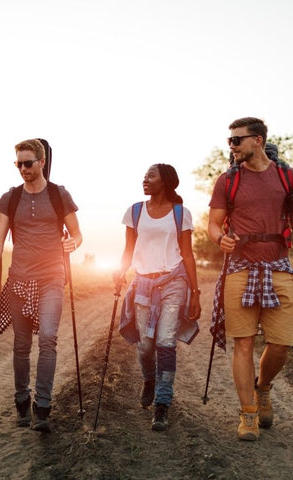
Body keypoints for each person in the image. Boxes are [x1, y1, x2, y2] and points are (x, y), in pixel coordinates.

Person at [0, 139, 82, 433]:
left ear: (41, 162)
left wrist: (72, 243)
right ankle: (21, 402)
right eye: (18, 164)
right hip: (19, 278)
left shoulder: (58, 194)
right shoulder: (10, 198)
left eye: (28, 163)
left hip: (51, 276)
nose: (23, 169)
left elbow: (77, 234)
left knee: (48, 338)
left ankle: (43, 407)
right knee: (22, 345)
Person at [208, 117, 293, 441]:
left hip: (279, 267)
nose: (231, 146)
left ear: (257, 140)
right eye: (230, 141)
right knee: (242, 343)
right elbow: (214, 224)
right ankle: (248, 415)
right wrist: (220, 239)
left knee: (282, 343)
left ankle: (264, 386)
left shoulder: (286, 177)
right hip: (240, 268)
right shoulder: (227, 181)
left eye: (237, 140)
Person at [116, 163, 201, 431]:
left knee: (165, 340)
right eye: (145, 176)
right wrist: (120, 272)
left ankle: (163, 403)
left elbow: (187, 253)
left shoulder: (180, 214)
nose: (145, 179)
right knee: (145, 345)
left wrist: (195, 293)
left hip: (173, 281)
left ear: (165, 181)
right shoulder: (135, 211)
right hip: (143, 284)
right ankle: (149, 380)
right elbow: (128, 249)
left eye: (151, 175)